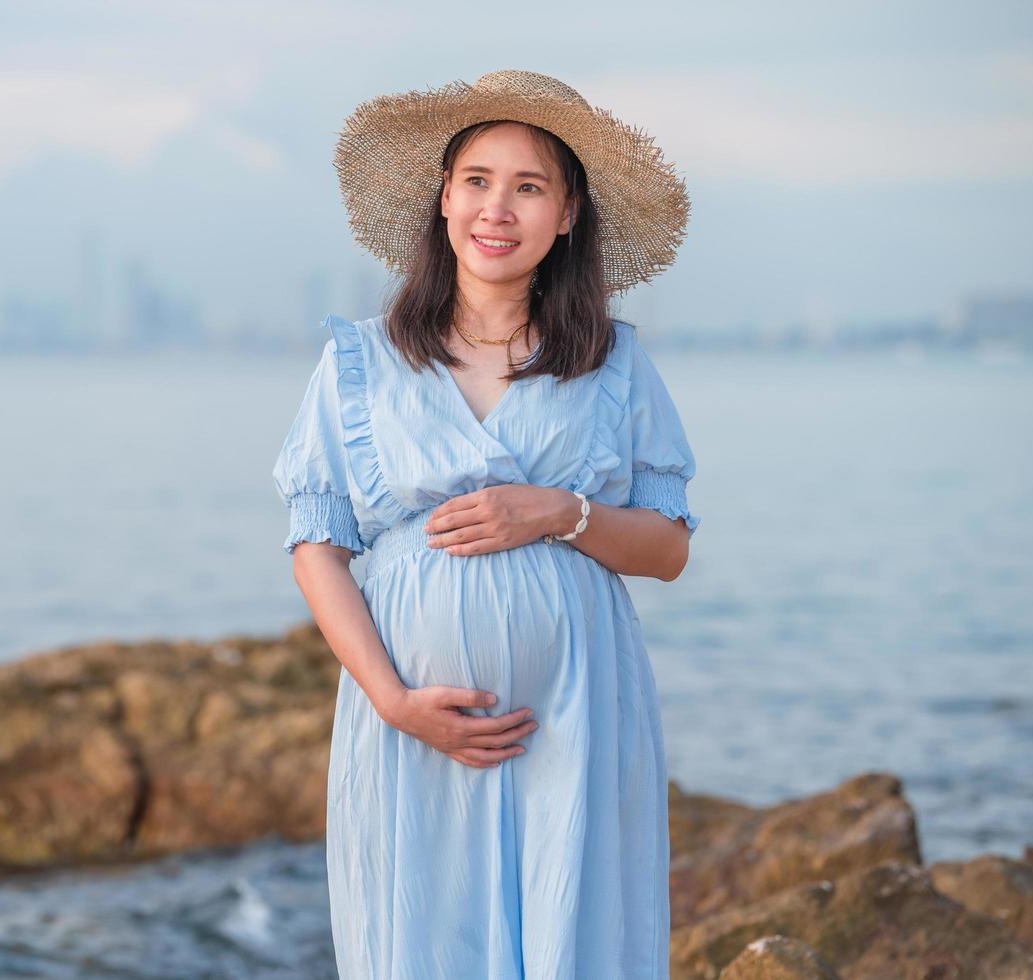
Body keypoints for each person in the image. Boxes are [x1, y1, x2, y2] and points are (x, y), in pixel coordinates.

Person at [272, 69, 698, 979]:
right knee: (422, 939)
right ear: (443, 198)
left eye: (528, 185)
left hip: (574, 719)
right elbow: (316, 545)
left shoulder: (613, 363)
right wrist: (392, 701)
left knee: (571, 939)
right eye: (476, 179)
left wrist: (562, 512)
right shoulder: (359, 362)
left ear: (567, 215)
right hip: (412, 725)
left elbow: (665, 550)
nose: (496, 208)